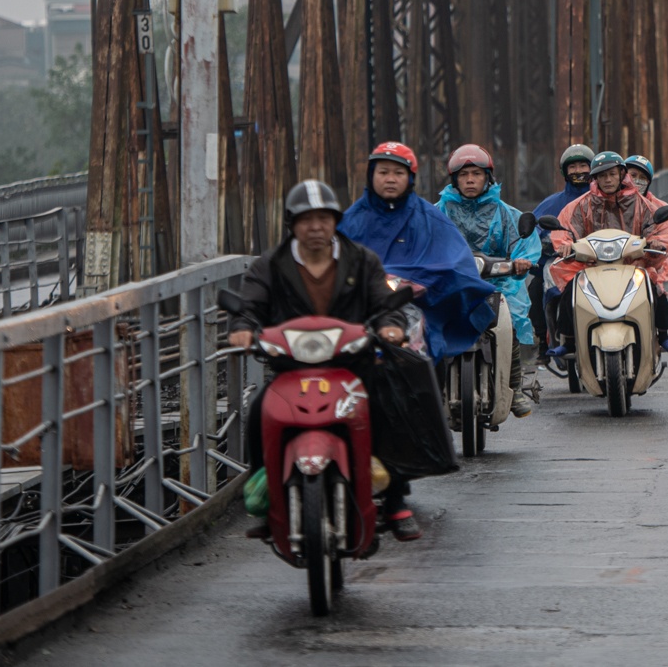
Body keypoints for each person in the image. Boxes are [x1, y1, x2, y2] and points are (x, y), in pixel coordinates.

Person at [227, 179, 420, 540]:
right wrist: (242, 327)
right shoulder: (271, 265)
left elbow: (384, 303)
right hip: (291, 369)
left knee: (389, 406)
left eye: (323, 218)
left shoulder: (362, 261)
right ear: (292, 224)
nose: (315, 227)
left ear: (335, 222)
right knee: (258, 413)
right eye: (306, 219)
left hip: (352, 367)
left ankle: (395, 500)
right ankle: (269, 498)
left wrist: (391, 326)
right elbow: (249, 305)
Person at [340, 142, 497, 363]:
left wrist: (426, 283)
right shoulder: (352, 220)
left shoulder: (428, 218)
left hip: (416, 302)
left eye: (398, 173)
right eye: (383, 172)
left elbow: (455, 259)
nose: (391, 179)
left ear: (410, 177)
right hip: (364, 302)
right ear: (371, 175)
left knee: (425, 353)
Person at [437, 144, 541, 417]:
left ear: (488, 178)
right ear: (454, 180)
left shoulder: (505, 213)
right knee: (429, 324)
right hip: (454, 283)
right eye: (463, 175)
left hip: (498, 281)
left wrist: (521, 262)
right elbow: (425, 241)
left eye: (476, 174)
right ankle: (433, 388)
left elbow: (524, 240)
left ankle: (514, 387)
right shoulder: (438, 212)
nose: (470, 179)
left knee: (510, 324)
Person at [548, 151, 668, 354]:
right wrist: (565, 244)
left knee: (656, 291)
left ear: (621, 174)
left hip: (633, 265)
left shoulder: (642, 204)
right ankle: (569, 340)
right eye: (601, 175)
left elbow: (660, 229)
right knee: (570, 292)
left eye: (611, 174)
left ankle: (663, 334)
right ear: (595, 178)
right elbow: (564, 228)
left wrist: (656, 243)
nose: (607, 180)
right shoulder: (581, 204)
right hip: (591, 267)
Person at [530, 144, 595, 350]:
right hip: (563, 263)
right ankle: (543, 339)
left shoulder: (605, 200)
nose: (578, 171)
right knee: (535, 287)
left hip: (600, 262)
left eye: (583, 165)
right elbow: (535, 232)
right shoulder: (551, 204)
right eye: (572, 167)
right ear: (564, 172)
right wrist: (548, 243)